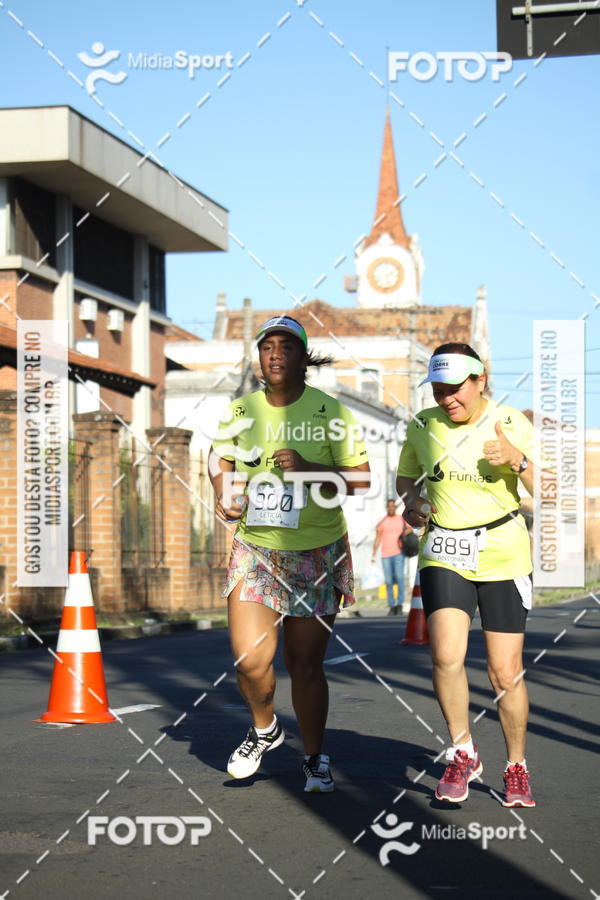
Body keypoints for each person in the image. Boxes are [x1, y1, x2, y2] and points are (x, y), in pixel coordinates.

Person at [209, 315, 370, 793]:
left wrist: (309, 469)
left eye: (286, 347)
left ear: (303, 358)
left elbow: (360, 478)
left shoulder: (330, 412)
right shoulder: (241, 411)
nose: (275, 354)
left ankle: (315, 758)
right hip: (256, 546)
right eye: (267, 347)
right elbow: (219, 457)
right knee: (249, 660)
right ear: (259, 358)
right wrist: (223, 489)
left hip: (316, 551)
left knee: (304, 665)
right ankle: (265, 729)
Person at [396, 342, 537, 808]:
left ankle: (516, 765)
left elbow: (551, 489)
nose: (447, 398)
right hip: (445, 550)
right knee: (445, 654)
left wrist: (517, 460)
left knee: (505, 672)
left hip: (502, 553)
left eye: (455, 388)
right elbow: (406, 479)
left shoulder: (511, 421)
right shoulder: (422, 424)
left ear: (480, 381)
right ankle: (462, 752)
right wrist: (412, 504)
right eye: (438, 390)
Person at [371, 499, 412, 614]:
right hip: (385, 555)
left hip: (399, 553)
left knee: (399, 578)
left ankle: (399, 604)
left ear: (395, 507)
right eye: (389, 506)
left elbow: (409, 529)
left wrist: (403, 534)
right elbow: (378, 537)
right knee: (389, 581)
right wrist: (373, 554)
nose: (391, 508)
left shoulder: (401, 519)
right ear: (386, 508)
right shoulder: (382, 521)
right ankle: (391, 605)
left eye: (393, 506)